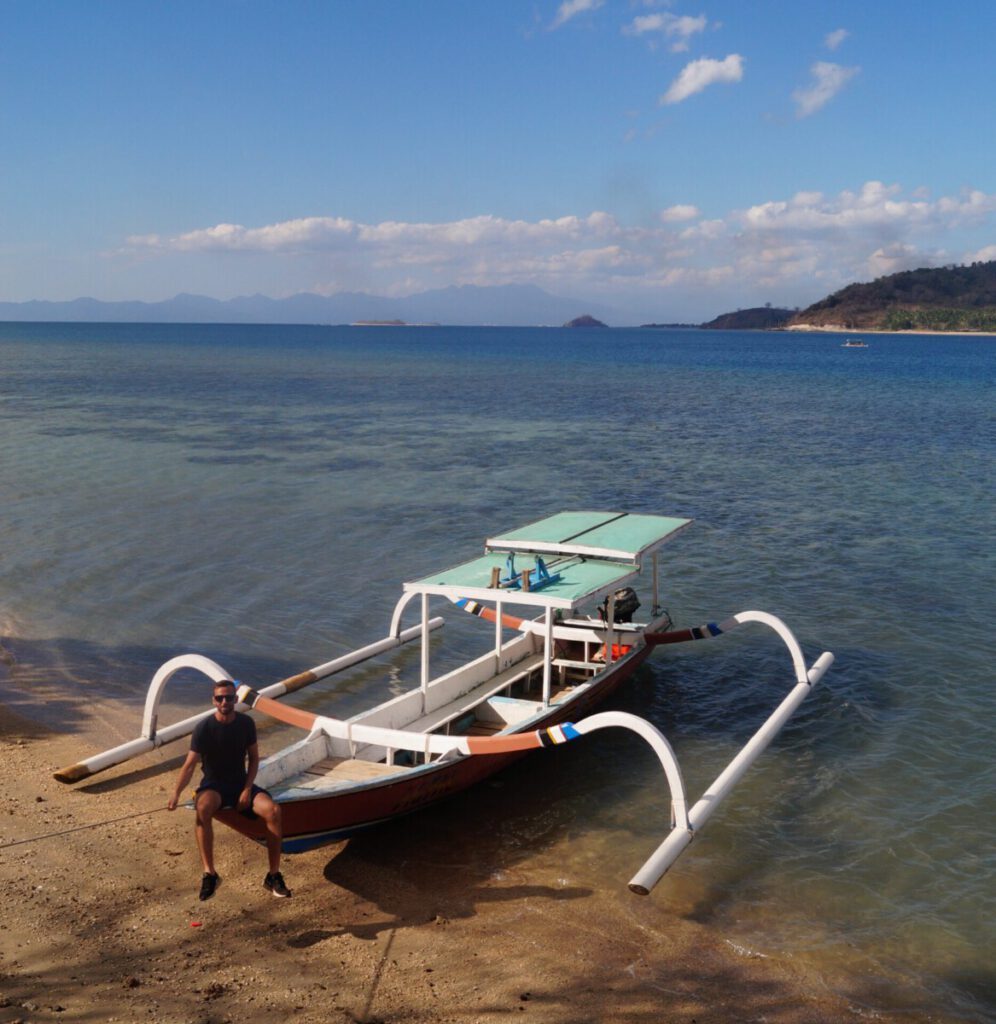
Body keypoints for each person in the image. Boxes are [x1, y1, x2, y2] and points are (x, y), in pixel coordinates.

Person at [168, 678, 291, 901]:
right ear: (213, 701)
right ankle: (210, 874)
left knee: (273, 811)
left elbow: (253, 759)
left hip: (240, 783)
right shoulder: (204, 728)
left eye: (229, 697)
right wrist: (176, 793)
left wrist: (246, 790)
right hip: (214, 785)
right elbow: (189, 766)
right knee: (203, 809)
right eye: (219, 698)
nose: (225, 701)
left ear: (235, 699)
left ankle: (273, 875)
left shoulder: (246, 724)